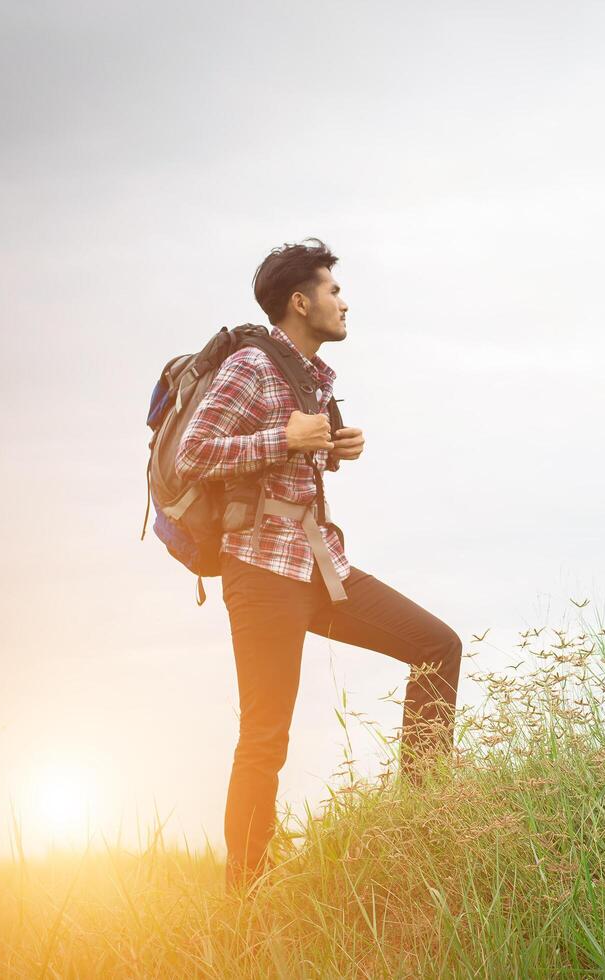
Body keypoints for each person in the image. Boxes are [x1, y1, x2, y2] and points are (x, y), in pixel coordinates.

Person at [176, 238, 463, 891]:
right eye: (333, 290)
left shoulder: (309, 376)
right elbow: (195, 453)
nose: (343, 302)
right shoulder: (250, 364)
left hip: (319, 567)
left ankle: (425, 821)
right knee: (265, 736)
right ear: (300, 302)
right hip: (261, 572)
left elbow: (289, 458)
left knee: (435, 644)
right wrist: (283, 438)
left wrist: (333, 447)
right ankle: (244, 896)